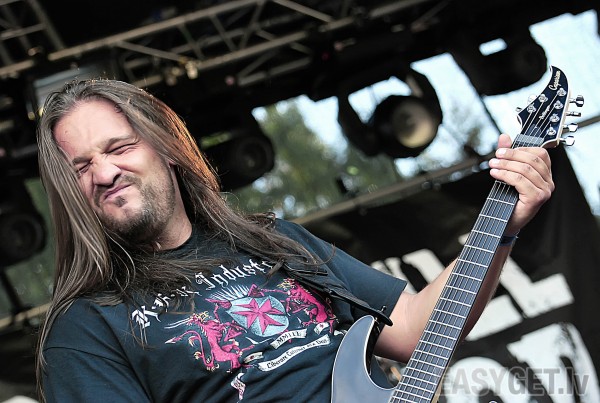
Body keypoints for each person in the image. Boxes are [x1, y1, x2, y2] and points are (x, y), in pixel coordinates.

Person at [35, 78, 554, 402]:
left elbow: (416, 329)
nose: (105, 172)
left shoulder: (272, 240)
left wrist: (502, 226)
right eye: (82, 167)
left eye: (119, 147)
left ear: (167, 148)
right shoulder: (85, 328)